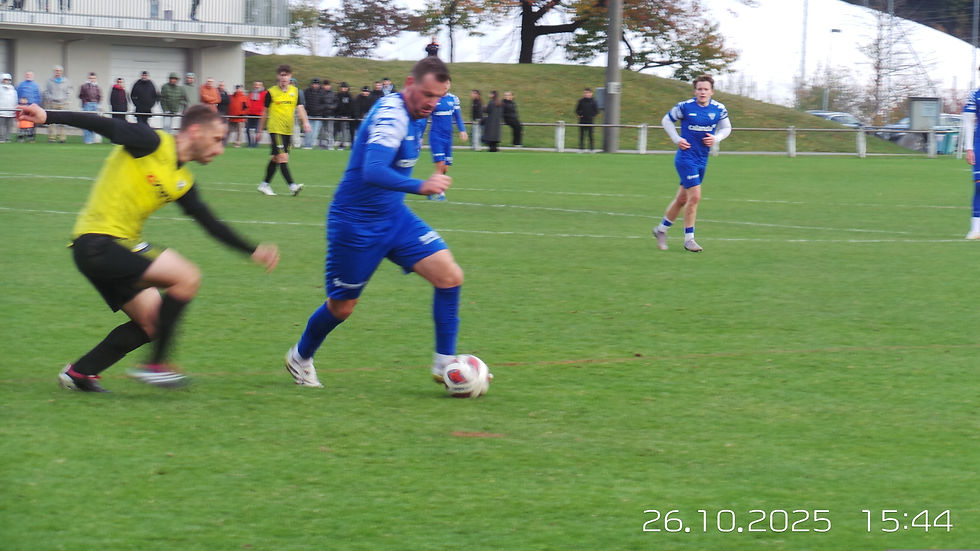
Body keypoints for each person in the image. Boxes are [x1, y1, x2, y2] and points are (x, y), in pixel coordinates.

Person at [14, 102, 280, 392]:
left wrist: (252, 250)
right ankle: (156, 365)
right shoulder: (151, 142)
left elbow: (210, 223)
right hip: (97, 243)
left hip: (114, 249)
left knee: (153, 324)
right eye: (217, 139)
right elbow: (103, 124)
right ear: (194, 131)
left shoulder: (182, 181)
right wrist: (47, 116)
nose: (220, 149)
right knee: (187, 276)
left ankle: (80, 373)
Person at [283, 56, 481, 390]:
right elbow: (372, 170)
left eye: (439, 97)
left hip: (394, 217)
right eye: (427, 95)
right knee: (342, 307)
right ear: (408, 84)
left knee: (449, 277)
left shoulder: (420, 113)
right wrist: (422, 186)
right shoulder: (391, 115)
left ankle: (445, 364)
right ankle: (300, 356)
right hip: (356, 224)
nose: (432, 103)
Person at [652, 74, 732, 253]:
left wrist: (716, 138)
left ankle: (661, 230)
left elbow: (727, 127)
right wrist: (676, 138)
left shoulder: (719, 108)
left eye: (705, 89)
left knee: (682, 199)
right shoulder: (685, 107)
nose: (702, 92)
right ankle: (689, 239)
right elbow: (666, 120)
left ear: (712, 91)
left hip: (702, 158)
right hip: (685, 157)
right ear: (695, 91)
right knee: (695, 196)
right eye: (699, 89)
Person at [257, 64, 311, 196]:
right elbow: (265, 112)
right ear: (278, 76)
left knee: (276, 158)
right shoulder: (271, 92)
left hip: (288, 130)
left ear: (290, 76)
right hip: (275, 129)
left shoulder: (295, 92)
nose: (284, 77)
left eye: (286, 75)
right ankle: (292, 186)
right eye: (282, 75)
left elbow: (300, 108)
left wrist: (305, 122)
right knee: (283, 157)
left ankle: (264, 185)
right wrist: (259, 130)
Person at [426, 91, 467, 199]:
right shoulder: (433, 98)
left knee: (445, 168)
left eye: (448, 83)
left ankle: (429, 188)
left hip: (448, 137)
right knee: (440, 164)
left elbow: (458, 117)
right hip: (436, 135)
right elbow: (424, 118)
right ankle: (440, 192)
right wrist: (419, 135)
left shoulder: (453, 99)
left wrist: (462, 131)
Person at [962, 69, 980, 240]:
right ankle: (976, 228)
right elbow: (968, 121)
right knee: (979, 185)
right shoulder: (975, 95)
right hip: (979, 143)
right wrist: (968, 148)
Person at [44, 65, 72, 142]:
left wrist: (66, 100)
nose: (58, 72)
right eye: (56, 70)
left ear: (61, 72)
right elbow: (46, 91)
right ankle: (51, 138)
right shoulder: (49, 81)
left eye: (59, 71)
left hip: (62, 104)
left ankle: (62, 138)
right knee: (51, 122)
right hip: (52, 103)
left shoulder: (66, 81)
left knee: (62, 122)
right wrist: (50, 98)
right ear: (54, 72)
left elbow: (69, 92)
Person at [302, 78, 327, 150]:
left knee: (315, 133)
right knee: (308, 132)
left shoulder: (323, 92)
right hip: (309, 115)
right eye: (314, 84)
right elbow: (303, 102)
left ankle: (311, 146)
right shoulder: (307, 91)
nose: (315, 85)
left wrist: (320, 109)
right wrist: (306, 110)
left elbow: (325, 103)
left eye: (317, 84)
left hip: (318, 116)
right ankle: (307, 145)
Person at [78, 72, 102, 144]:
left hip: (95, 105)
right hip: (87, 104)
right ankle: (87, 140)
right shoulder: (84, 86)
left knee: (94, 123)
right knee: (87, 122)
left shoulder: (97, 87)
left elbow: (99, 96)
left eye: (94, 78)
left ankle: (93, 139)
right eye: (91, 78)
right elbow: (80, 95)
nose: (92, 80)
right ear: (88, 78)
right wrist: (85, 102)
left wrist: (97, 103)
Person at [575, 87, 600, 152]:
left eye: (587, 93)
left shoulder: (594, 101)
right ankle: (581, 149)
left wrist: (592, 116)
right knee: (582, 136)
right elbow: (577, 110)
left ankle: (591, 149)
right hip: (582, 121)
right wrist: (580, 114)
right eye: (585, 93)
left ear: (591, 93)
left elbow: (596, 111)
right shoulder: (581, 101)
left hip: (590, 121)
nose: (586, 94)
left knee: (591, 136)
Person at [245, 80, 266, 147]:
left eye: (259, 85)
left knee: (257, 130)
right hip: (250, 114)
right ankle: (249, 143)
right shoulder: (251, 94)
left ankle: (255, 144)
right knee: (248, 130)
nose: (257, 86)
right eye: (256, 85)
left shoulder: (265, 93)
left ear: (261, 86)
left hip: (259, 115)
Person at [334, 81, 353, 149]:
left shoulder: (349, 96)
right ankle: (333, 142)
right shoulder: (337, 95)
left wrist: (347, 115)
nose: (343, 89)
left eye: (345, 87)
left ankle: (343, 144)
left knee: (344, 130)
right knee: (335, 130)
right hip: (337, 116)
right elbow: (335, 105)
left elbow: (350, 107)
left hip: (345, 116)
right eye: (342, 87)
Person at [0, 74, 17, 143]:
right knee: (1, 126)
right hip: (2, 110)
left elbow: (15, 100)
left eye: (8, 80)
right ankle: (1, 138)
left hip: (11, 111)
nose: (6, 81)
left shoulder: (12, 90)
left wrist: (15, 109)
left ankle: (8, 138)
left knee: (9, 126)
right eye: (5, 79)